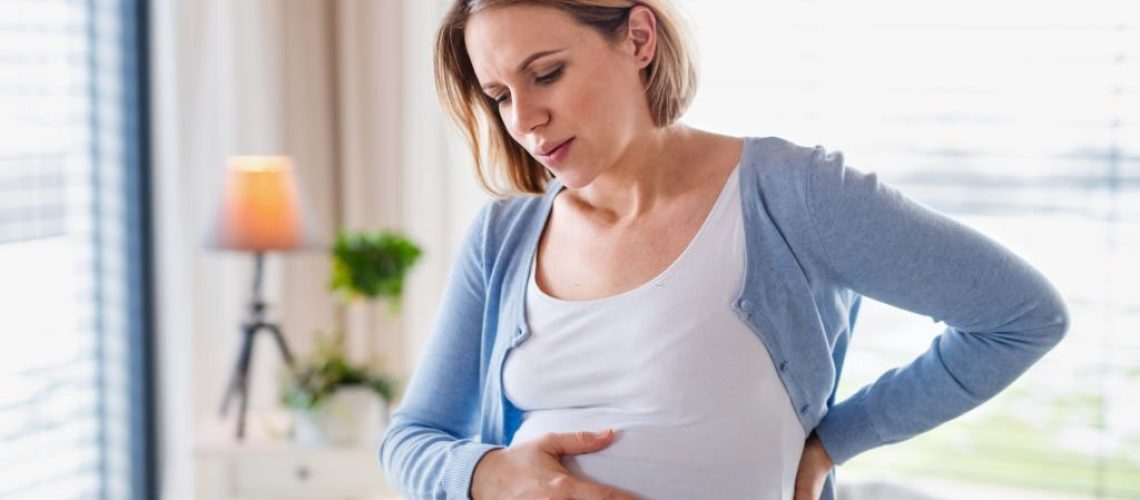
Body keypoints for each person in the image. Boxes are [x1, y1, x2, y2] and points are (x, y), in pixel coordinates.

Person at [379, 1, 1071, 499]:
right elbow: (410, 438)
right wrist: (488, 476)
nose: (525, 121)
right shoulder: (503, 238)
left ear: (639, 37)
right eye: (500, 96)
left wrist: (834, 441)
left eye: (548, 74)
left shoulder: (791, 195)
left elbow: (1021, 316)